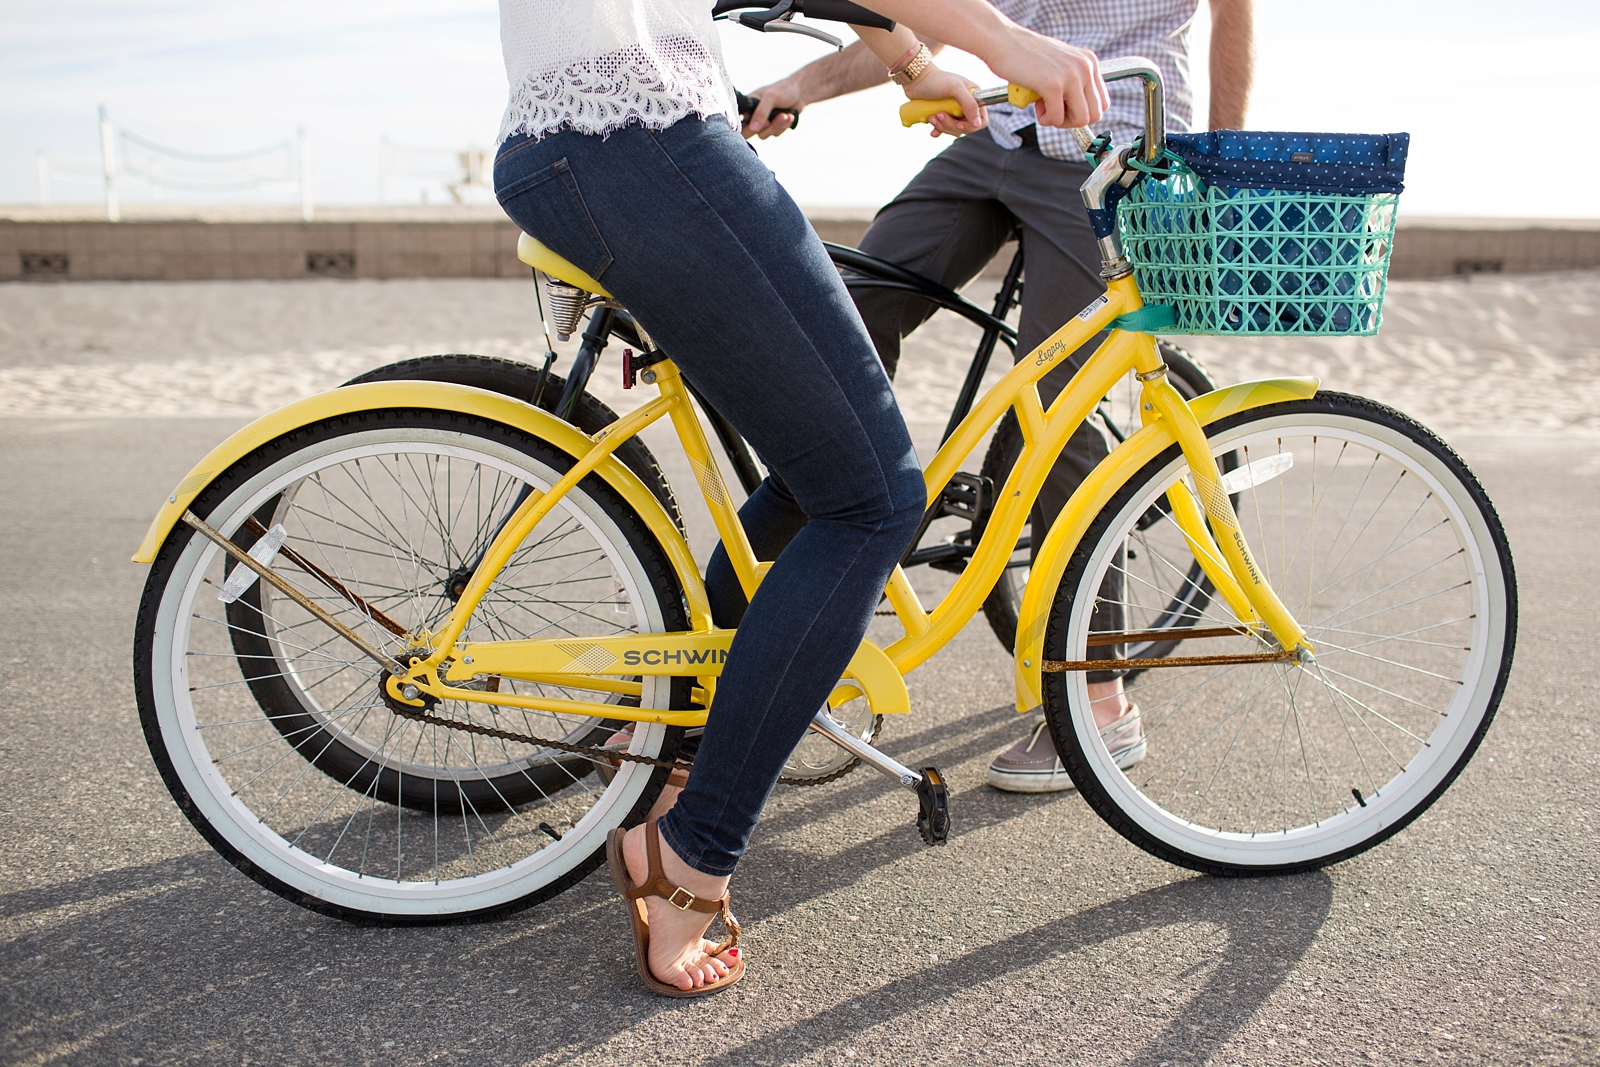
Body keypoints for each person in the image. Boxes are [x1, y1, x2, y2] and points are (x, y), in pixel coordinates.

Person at [492, 0, 1107, 996]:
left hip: (598, 139)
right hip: (639, 142)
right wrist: (1006, 44)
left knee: (828, 460)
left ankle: (682, 726)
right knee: (871, 500)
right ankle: (691, 854)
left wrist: (912, 64)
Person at [737, 0, 1254, 793]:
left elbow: (1233, 15)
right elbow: (927, 15)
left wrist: (1221, 162)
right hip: (999, 136)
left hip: (1108, 151)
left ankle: (1099, 694)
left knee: (1055, 400)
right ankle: (829, 563)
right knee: (844, 310)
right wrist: (799, 85)